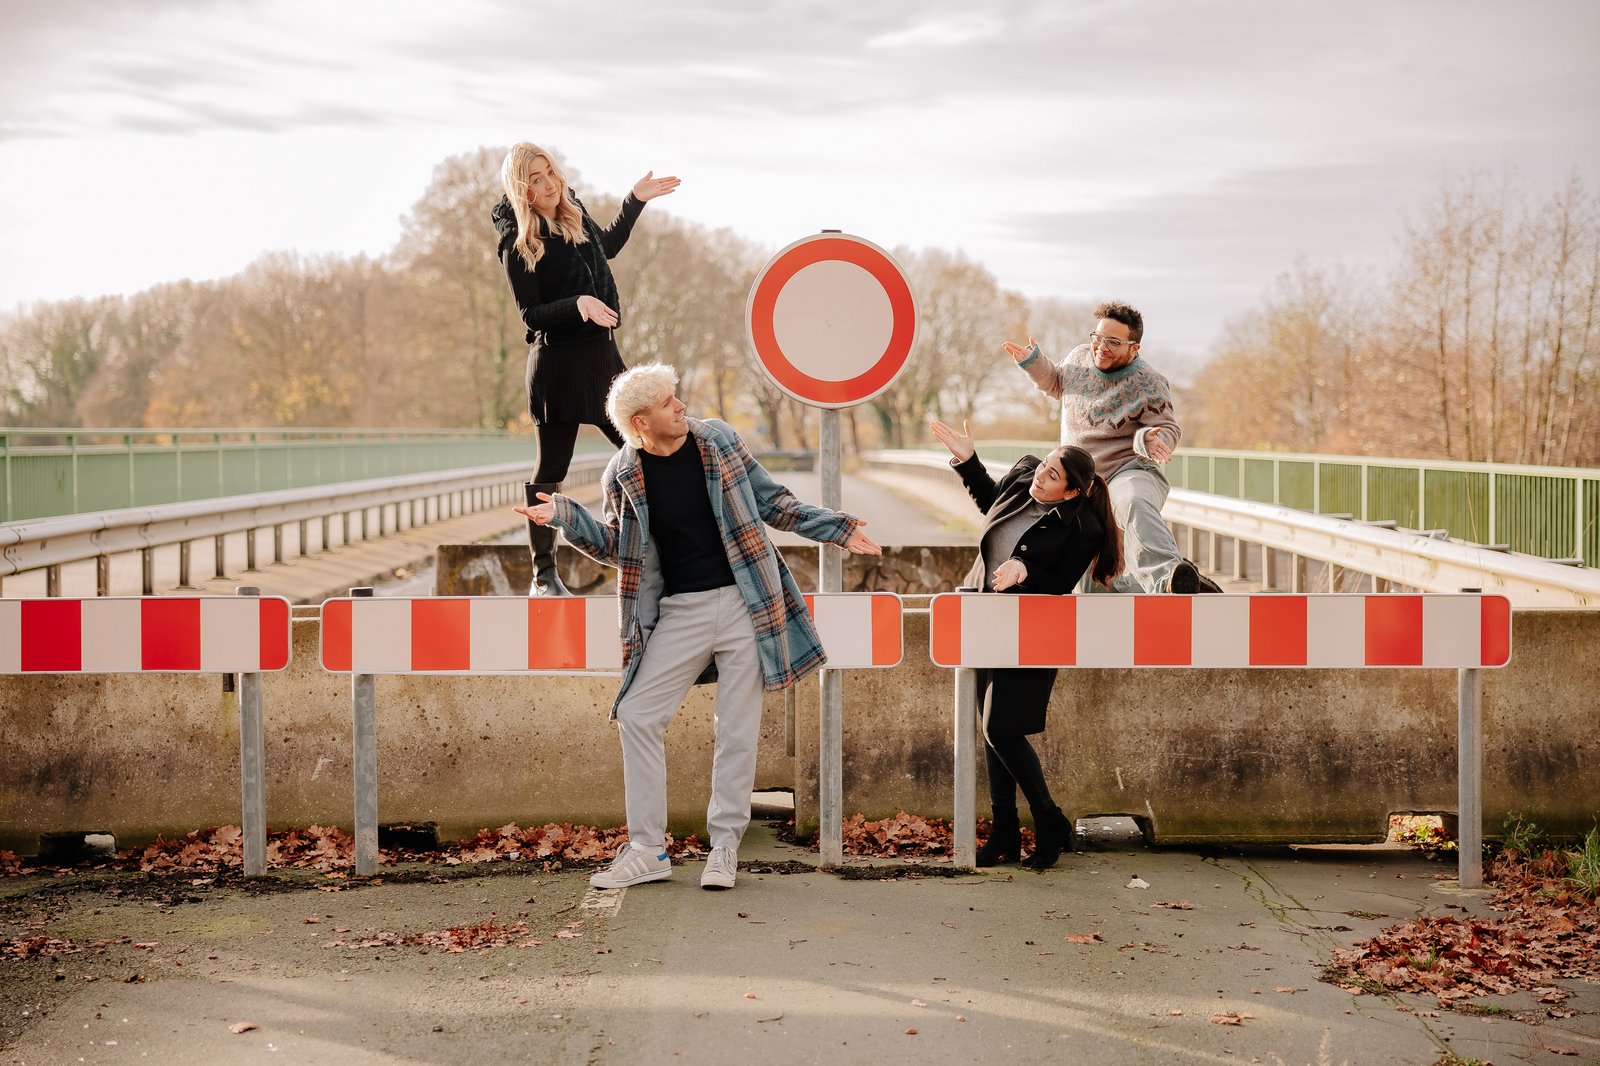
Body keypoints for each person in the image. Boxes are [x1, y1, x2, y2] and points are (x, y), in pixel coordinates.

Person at [514, 363, 882, 891]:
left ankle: (725, 848)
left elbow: (773, 503)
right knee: (638, 713)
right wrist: (566, 517)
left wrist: (838, 528)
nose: (682, 407)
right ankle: (647, 850)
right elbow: (622, 549)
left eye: (678, 398)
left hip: (747, 602)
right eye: (669, 404)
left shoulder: (717, 442)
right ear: (641, 422)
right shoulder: (622, 473)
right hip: (680, 611)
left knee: (734, 731)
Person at [931, 419, 1124, 870]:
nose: (1041, 475)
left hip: (1033, 631)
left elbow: (1058, 586)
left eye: (1052, 475)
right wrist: (967, 461)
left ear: (1071, 492)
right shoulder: (1023, 476)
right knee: (990, 732)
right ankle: (1004, 835)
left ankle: (1048, 820)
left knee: (1002, 729)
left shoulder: (1085, 529)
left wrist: (1025, 572)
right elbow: (990, 504)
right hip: (983, 617)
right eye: (1046, 465)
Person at [493, 142, 681, 596]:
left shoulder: (572, 212)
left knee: (646, 450)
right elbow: (531, 315)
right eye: (534, 180)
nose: (548, 184)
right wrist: (578, 304)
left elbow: (608, 246)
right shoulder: (518, 242)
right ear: (523, 190)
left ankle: (656, 554)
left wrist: (634, 201)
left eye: (549, 173)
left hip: (602, 361)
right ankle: (544, 576)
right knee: (550, 469)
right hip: (556, 363)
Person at [1004, 301, 1213, 594]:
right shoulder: (1079, 357)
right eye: (1098, 338)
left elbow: (1168, 428)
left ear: (1133, 348)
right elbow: (1056, 383)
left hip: (1128, 469)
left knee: (1132, 500)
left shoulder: (1148, 382)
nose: (1101, 347)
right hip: (1082, 484)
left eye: (1113, 342)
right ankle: (1174, 584)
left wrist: (1150, 439)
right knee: (1093, 585)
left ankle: (1166, 577)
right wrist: (1034, 363)